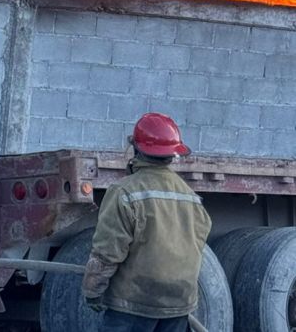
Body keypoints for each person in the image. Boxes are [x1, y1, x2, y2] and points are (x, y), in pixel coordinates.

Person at [82, 112, 212, 332]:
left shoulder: (124, 192)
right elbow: (197, 245)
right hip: (178, 306)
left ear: (136, 149)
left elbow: (107, 251)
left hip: (133, 305)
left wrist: (92, 291)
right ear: (172, 154)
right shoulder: (191, 197)